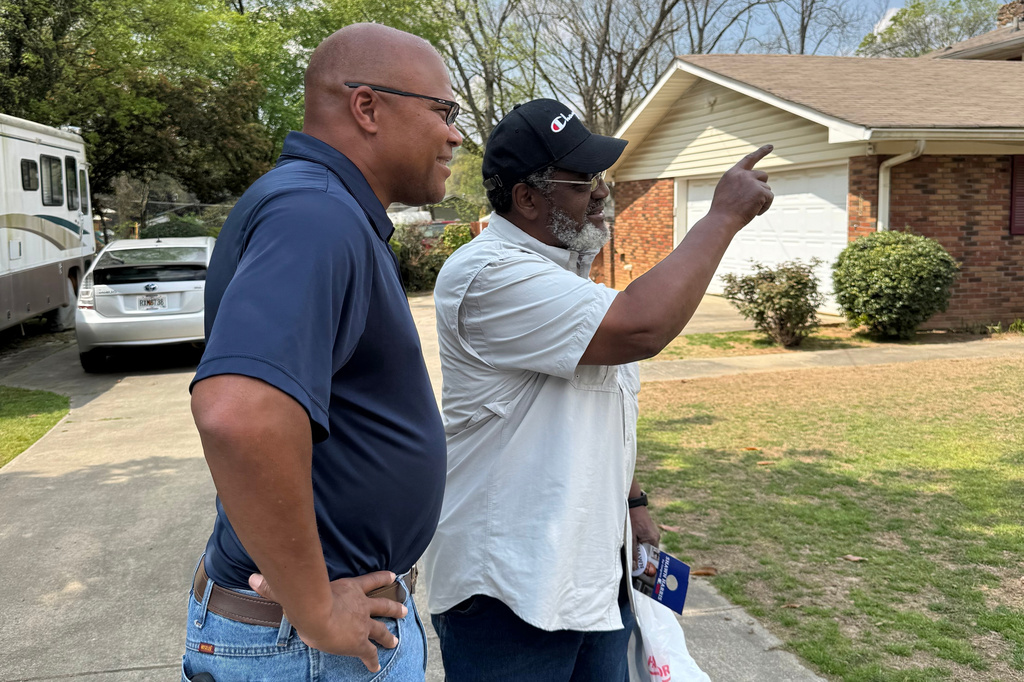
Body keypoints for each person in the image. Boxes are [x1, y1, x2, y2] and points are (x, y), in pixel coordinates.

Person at [422, 98, 773, 680]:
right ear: (527, 198)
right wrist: (721, 218)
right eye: (583, 180)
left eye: (601, 176)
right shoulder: (487, 273)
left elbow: (598, 407)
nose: (603, 192)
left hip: (594, 573)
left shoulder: (563, 277)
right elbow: (643, 326)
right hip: (511, 591)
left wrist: (632, 503)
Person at [182, 23, 462, 681]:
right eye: (443, 112)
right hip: (306, 647)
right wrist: (315, 609)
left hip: (317, 638)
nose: (455, 135)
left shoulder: (323, 208)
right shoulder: (317, 213)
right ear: (366, 107)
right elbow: (237, 414)